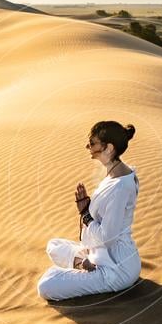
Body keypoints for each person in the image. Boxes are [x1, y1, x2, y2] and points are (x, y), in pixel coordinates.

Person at [37, 121, 141, 301]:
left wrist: (85, 214)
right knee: (54, 245)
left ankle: (88, 266)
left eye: (93, 143)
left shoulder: (120, 187)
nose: (88, 147)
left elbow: (108, 238)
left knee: (45, 286)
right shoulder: (117, 173)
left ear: (108, 148)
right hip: (100, 252)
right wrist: (88, 207)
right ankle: (83, 263)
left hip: (116, 268)